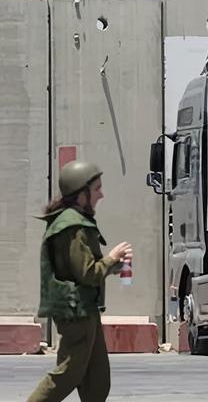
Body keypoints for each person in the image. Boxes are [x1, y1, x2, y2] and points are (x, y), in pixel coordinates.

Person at [28, 161, 134, 402]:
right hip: (76, 312)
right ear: (81, 194)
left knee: (97, 382)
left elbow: (85, 269)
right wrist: (112, 257)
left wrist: (115, 266)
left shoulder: (75, 220)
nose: (101, 194)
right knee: (68, 374)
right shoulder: (73, 227)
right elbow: (87, 273)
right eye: (97, 189)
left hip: (85, 309)